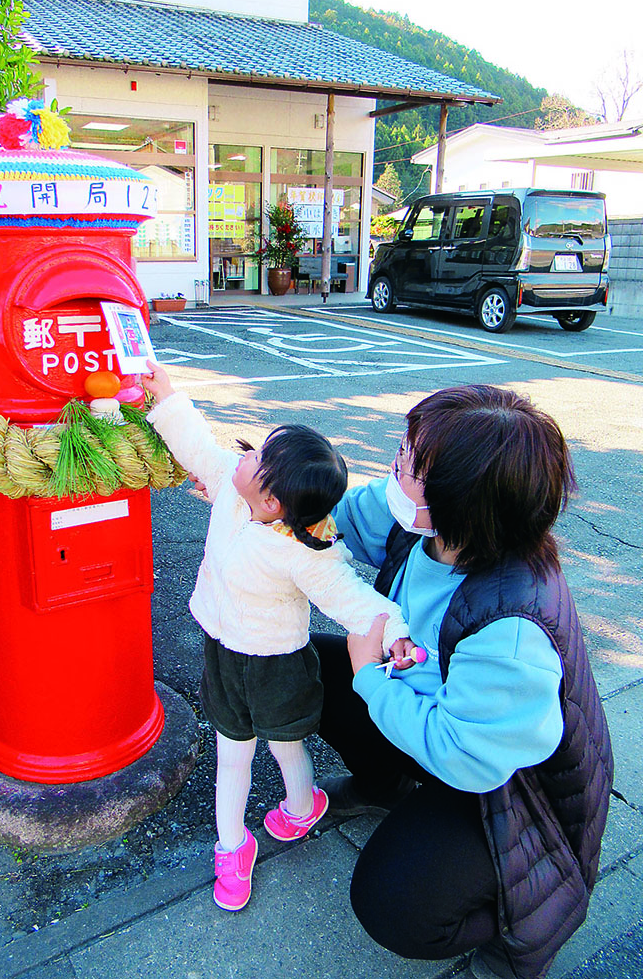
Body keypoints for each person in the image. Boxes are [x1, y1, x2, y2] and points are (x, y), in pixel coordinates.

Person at [313, 384, 613, 979]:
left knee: (391, 906)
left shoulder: (512, 624)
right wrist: (262, 497)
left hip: (508, 792)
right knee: (305, 670)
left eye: (411, 463)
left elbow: (467, 758)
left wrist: (370, 675)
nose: (396, 464)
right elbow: (330, 524)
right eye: (404, 447)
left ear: (462, 503)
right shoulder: (426, 523)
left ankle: (517, 934)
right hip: (433, 707)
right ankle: (385, 785)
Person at [142, 361, 412, 912]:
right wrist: (167, 396)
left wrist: (397, 634)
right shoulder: (231, 490)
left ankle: (300, 805)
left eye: (258, 459)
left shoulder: (306, 554)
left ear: (273, 504)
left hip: (279, 664)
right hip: (224, 653)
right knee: (233, 755)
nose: (244, 456)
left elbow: (355, 600)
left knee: (288, 742)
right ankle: (232, 846)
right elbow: (197, 446)